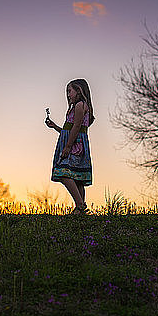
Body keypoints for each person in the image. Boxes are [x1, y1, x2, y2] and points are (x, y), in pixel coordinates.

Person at [45, 78, 95, 214]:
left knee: (62, 172)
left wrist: (67, 147)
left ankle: (80, 205)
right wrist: (55, 126)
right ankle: (80, 210)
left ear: (79, 91)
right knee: (77, 177)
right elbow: (68, 131)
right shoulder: (76, 107)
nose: (68, 94)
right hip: (72, 142)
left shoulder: (80, 106)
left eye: (70, 91)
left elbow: (77, 128)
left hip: (75, 145)